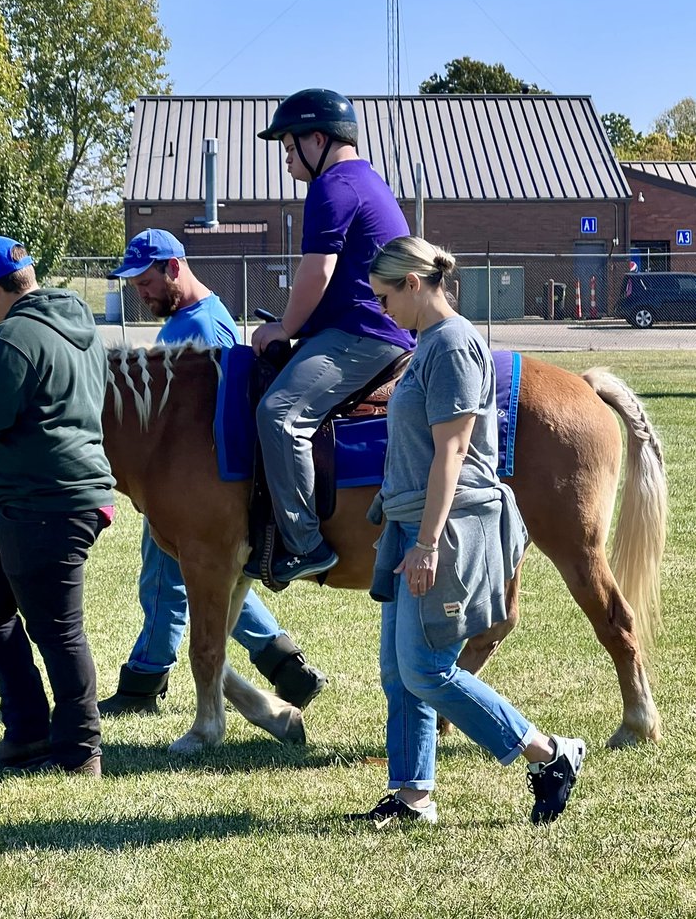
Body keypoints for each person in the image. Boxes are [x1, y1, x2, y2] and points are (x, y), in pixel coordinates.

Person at [350, 235, 585, 828]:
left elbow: (452, 453)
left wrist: (428, 544)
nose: (383, 311)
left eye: (384, 297)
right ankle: (411, 796)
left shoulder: (452, 345)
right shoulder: (428, 343)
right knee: (400, 671)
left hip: (449, 531)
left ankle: (550, 755)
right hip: (411, 524)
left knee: (427, 670)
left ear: (412, 283)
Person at [97, 229, 328, 714]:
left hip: (187, 482)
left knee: (170, 579)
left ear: (174, 268)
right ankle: (285, 664)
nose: (141, 293)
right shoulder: (194, 318)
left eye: (146, 282)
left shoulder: (200, 329)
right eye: (135, 285)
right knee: (210, 575)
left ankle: (144, 680)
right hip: (180, 478)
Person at [0, 236, 115, 776]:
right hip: (45, 497)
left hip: (44, 500)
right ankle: (27, 731)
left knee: (58, 631)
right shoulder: (80, 325)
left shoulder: (13, 337)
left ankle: (78, 750)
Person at [248, 89, 415, 585]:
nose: (285, 156)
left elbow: (316, 272)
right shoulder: (367, 181)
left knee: (278, 416)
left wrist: (285, 327)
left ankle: (304, 545)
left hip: (362, 334)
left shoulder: (331, 187)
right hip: (367, 328)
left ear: (318, 139)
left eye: (289, 144)